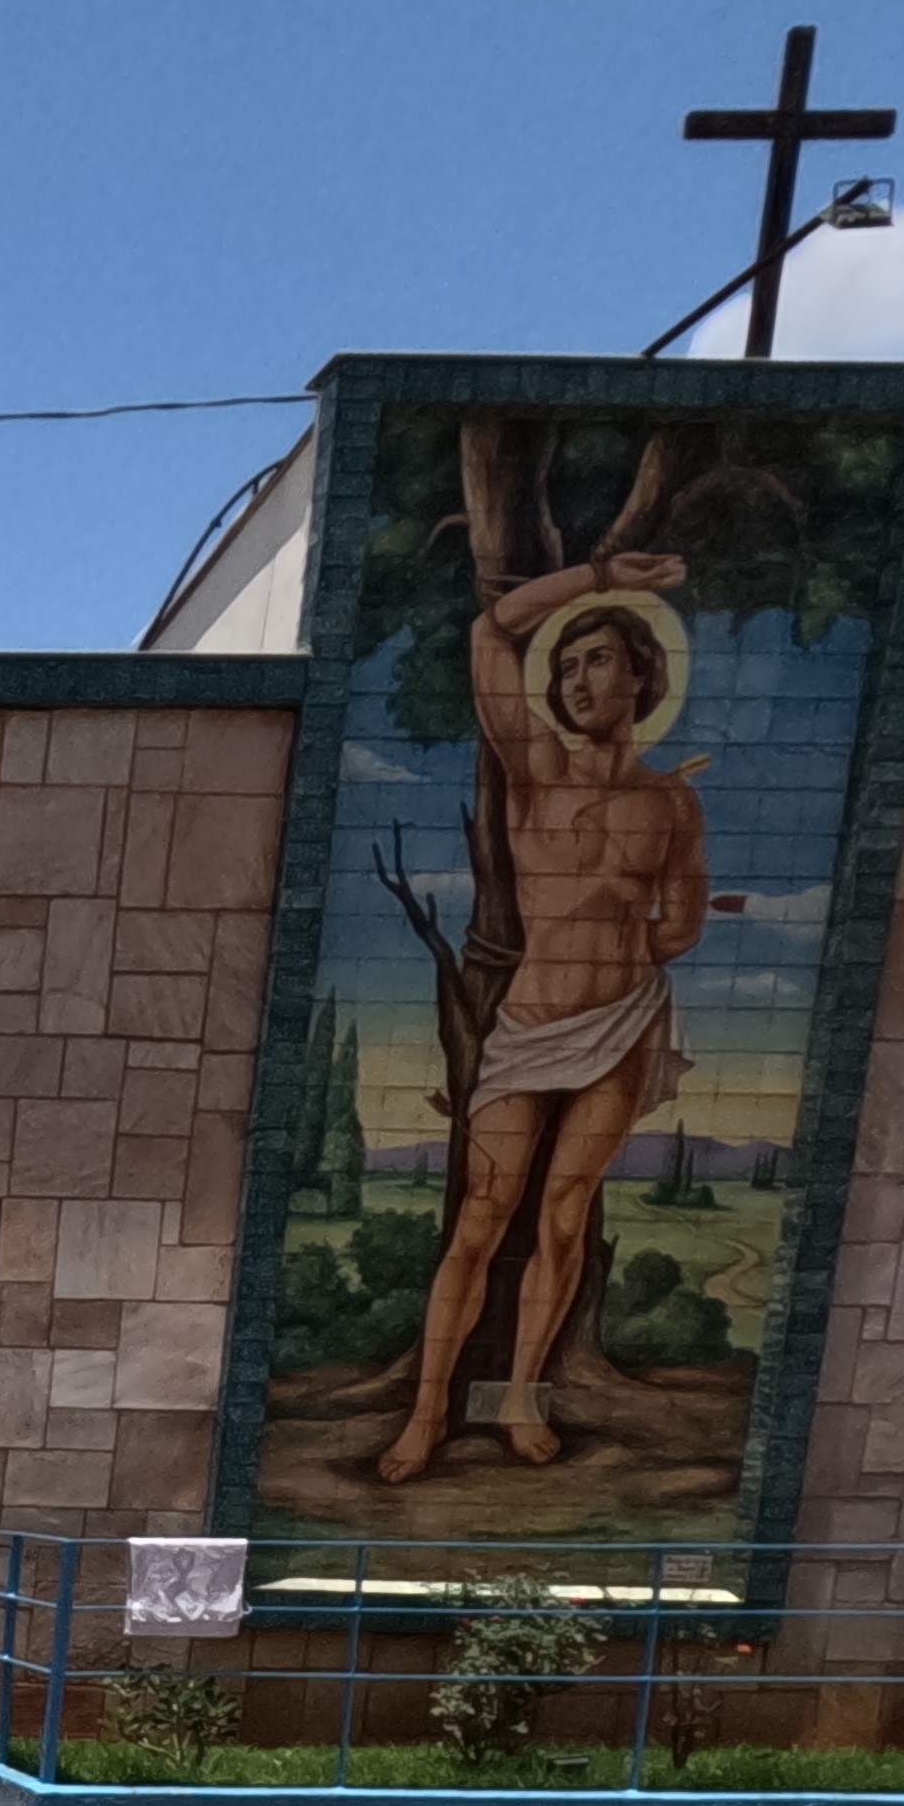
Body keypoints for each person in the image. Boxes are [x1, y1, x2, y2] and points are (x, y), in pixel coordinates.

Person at [378, 544, 709, 1484]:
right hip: (530, 1026)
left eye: (597, 659)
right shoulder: (534, 767)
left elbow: (683, 914)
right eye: (566, 665)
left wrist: (653, 929)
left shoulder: (672, 800)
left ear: (643, 675)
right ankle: (427, 1412)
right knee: (482, 1215)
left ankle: (522, 1394)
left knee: (563, 1216)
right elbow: (491, 630)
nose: (574, 678)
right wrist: (603, 575)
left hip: (622, 1023)